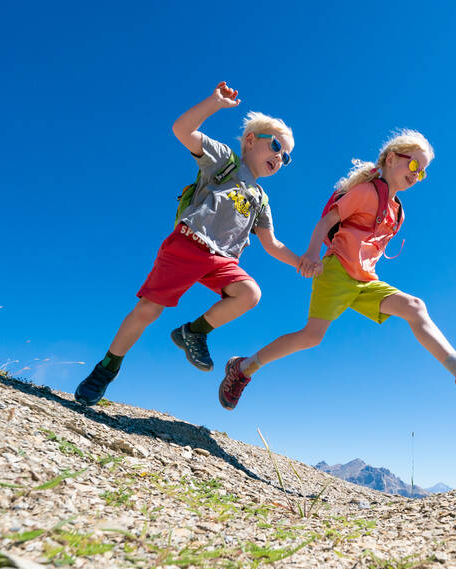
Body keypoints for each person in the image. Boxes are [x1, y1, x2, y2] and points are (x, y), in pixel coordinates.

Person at [218, 129, 456, 409]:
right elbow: (327, 222)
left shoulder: (397, 210)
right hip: (336, 274)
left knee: (415, 307)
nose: (416, 173)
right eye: (413, 164)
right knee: (311, 336)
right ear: (391, 158)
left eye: (421, 171)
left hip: (365, 282)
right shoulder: (367, 192)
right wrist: (311, 254)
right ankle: (243, 367)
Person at [75, 81, 313, 406]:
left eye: (286, 158)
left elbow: (271, 244)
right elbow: (182, 129)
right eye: (275, 146)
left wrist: (301, 261)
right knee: (148, 310)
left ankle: (195, 332)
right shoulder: (224, 161)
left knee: (249, 294)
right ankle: (107, 367)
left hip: (223, 261)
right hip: (188, 244)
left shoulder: (261, 199)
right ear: (250, 141)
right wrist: (214, 103)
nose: (279, 157)